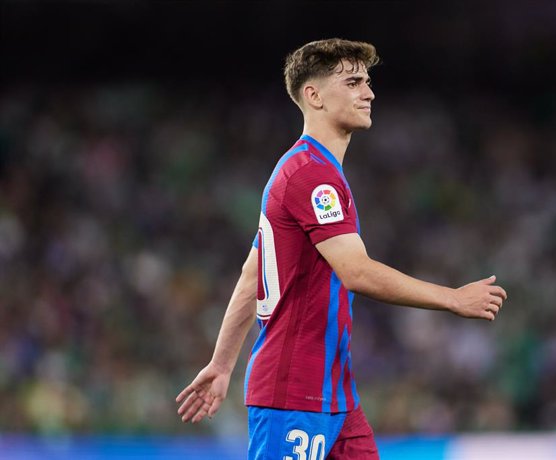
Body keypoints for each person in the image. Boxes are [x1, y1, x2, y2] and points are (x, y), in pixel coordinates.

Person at [176, 38, 507, 459]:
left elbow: (251, 276)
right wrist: (453, 298)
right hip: (294, 393)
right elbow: (357, 272)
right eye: (352, 82)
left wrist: (222, 365)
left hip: (336, 397)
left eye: (367, 82)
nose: (368, 92)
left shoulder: (308, 169)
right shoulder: (311, 175)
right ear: (313, 95)